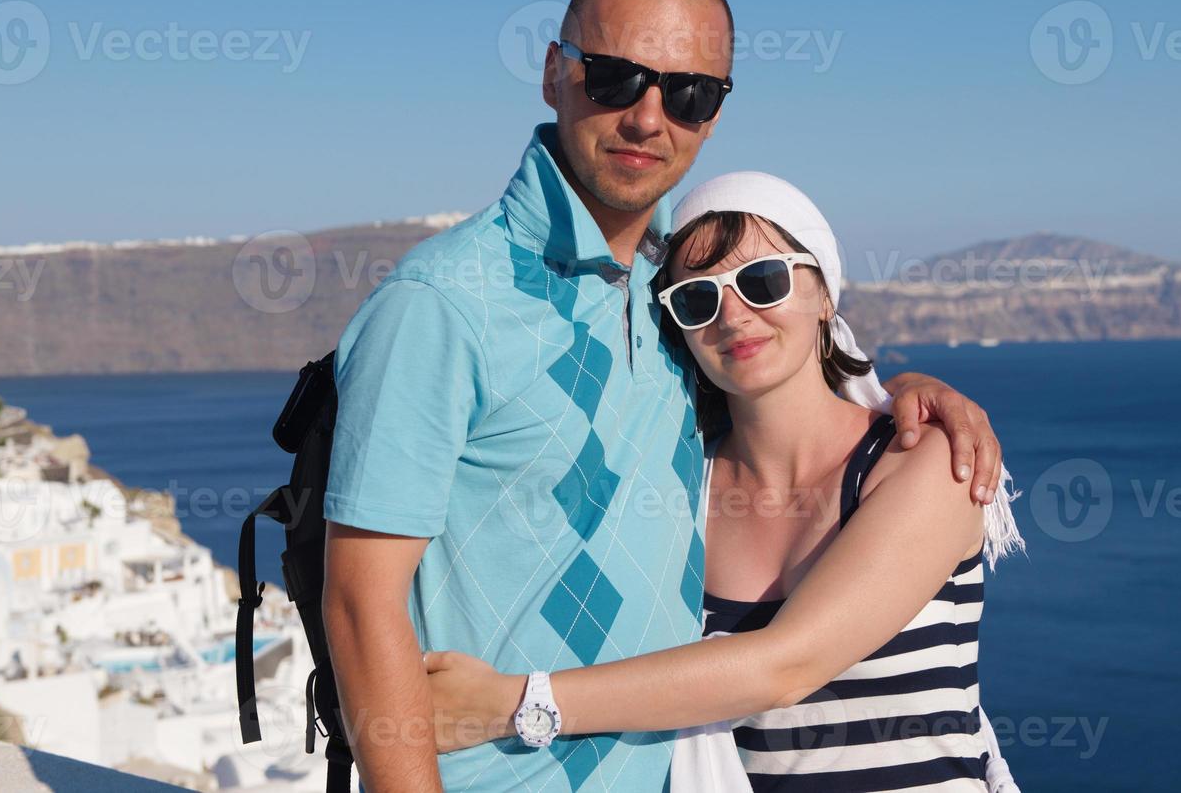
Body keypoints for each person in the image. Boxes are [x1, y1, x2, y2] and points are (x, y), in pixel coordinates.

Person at [321, 0, 1010, 793]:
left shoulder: (658, 305)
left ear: (714, 113)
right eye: (614, 78)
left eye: (687, 93)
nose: (649, 117)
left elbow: (784, 657)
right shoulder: (444, 303)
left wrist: (916, 393)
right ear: (553, 72)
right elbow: (360, 602)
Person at [422, 173, 1024, 791]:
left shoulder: (925, 462)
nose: (733, 316)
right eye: (697, 299)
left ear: (823, 294)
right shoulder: (682, 483)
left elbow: (786, 667)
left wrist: (515, 705)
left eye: (765, 281)